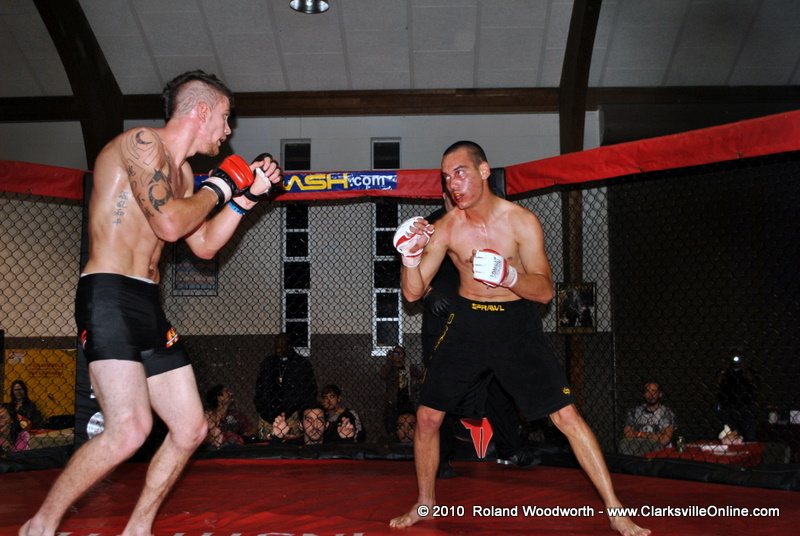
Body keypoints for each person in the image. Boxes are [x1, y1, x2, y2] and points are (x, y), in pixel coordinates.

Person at [19, 70, 282, 536]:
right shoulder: (140, 143)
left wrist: (246, 199)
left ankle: (137, 529)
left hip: (147, 303)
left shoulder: (184, 176)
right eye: (225, 117)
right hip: (108, 295)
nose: (228, 130)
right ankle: (39, 526)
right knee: (129, 429)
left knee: (191, 428)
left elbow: (203, 244)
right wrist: (223, 185)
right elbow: (167, 223)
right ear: (201, 111)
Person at [388, 141, 648, 536]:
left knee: (566, 415)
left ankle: (615, 510)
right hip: (468, 324)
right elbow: (412, 293)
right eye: (446, 176)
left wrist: (508, 276)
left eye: (460, 172)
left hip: (515, 324)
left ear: (484, 171)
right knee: (427, 417)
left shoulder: (521, 221)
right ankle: (425, 502)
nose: (452, 183)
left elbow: (545, 291)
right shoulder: (446, 226)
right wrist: (409, 258)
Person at [423, 190, 539, 478]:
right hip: (444, 317)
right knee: (440, 391)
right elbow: (406, 265)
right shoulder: (433, 225)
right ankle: (441, 459)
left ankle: (510, 447)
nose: (457, 195)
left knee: (499, 380)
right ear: (444, 195)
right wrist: (428, 293)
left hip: (482, 316)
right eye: (451, 189)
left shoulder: (492, 223)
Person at [253, 333, 318, 438]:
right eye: (276, 347)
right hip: (267, 414)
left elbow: (311, 390)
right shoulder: (268, 362)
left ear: (289, 346)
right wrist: (260, 407)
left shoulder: (301, 364)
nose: (278, 350)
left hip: (292, 416)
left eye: (281, 347)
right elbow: (259, 387)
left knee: (291, 443)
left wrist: (299, 411)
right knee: (265, 443)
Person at [620, 382, 677, 455]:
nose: (650, 394)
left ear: (660, 394)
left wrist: (639, 434)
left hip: (660, 454)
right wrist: (657, 437)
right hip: (638, 453)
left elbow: (665, 440)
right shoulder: (635, 412)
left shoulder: (666, 413)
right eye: (647, 391)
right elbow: (627, 435)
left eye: (653, 391)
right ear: (644, 394)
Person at [716, 347, 759, 441]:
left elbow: (755, 383)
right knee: (728, 433)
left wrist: (743, 367)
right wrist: (726, 367)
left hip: (745, 405)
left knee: (749, 433)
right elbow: (717, 383)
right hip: (727, 405)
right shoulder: (725, 371)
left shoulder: (748, 370)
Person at [379, 345, 422, 438]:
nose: (398, 355)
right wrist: (389, 360)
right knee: (391, 425)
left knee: (408, 421)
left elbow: (421, 377)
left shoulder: (408, 367)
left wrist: (415, 387)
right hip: (393, 401)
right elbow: (382, 374)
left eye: (400, 353)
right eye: (396, 353)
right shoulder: (390, 367)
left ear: (404, 355)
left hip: (406, 400)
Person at [203, 384, 258, 448]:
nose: (231, 394)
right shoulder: (209, 416)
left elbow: (252, 428)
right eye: (226, 392)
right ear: (219, 398)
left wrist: (240, 438)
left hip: (234, 446)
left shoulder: (234, 414)